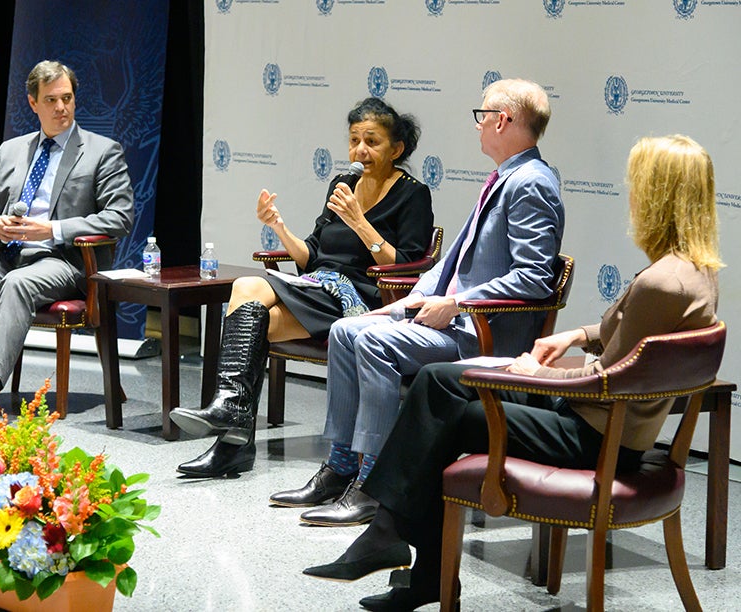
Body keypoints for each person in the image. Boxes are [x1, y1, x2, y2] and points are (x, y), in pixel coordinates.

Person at [303, 134, 722, 611]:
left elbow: (607, 382)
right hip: (601, 422)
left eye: (637, 184)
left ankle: (396, 542)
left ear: (658, 195)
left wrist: (533, 373)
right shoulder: (692, 274)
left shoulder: (660, 283)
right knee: (439, 380)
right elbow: (625, 343)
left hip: (595, 436)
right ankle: (396, 544)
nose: (630, 194)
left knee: (444, 418)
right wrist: (578, 336)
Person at [270, 78, 565, 527]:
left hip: (482, 333)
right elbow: (453, 262)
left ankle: (374, 483)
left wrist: (459, 303)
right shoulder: (505, 176)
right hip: (457, 320)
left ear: (502, 121)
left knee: (373, 344)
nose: (478, 125)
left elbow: (535, 277)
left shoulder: (530, 183)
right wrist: (403, 303)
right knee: (349, 329)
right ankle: (342, 466)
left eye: (482, 116)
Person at [169, 97, 435, 477]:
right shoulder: (343, 182)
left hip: (361, 299)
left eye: (372, 141)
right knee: (256, 314)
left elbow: (406, 266)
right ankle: (232, 425)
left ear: (397, 148)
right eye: (354, 139)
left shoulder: (413, 194)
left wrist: (361, 222)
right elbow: (312, 253)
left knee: (248, 291)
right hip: (317, 285)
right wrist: (278, 226)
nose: (361, 150)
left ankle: (232, 435)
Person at [0, 60, 134, 417]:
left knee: (17, 284)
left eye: (67, 98)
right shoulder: (12, 150)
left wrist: (52, 230)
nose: (61, 108)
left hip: (65, 261)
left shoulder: (103, 151)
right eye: (51, 100)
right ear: (32, 103)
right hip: (8, 253)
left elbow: (120, 216)